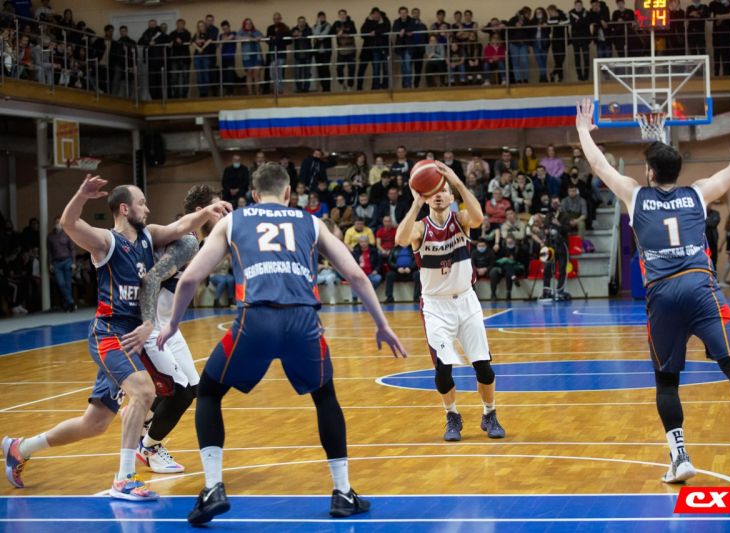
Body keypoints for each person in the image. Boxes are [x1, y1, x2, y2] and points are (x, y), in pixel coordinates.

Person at [155, 162, 406, 524]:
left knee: (208, 392)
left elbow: (190, 278)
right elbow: (354, 274)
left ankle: (213, 488)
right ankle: (342, 492)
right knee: (325, 397)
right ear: (289, 193)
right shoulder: (311, 222)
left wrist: (173, 324)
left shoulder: (233, 221)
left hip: (255, 319)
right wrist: (382, 324)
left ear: (254, 194)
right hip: (303, 321)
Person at [576, 94, 730, 482]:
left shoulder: (635, 195)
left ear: (650, 173)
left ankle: (680, 457)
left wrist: (584, 130)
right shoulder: (697, 193)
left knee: (667, 382)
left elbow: (599, 164)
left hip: (663, 294)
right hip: (701, 286)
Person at [2, 175, 230, 499]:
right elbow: (69, 224)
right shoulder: (106, 242)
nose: (147, 209)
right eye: (142, 203)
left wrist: (207, 211)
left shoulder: (149, 236)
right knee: (145, 390)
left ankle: (21, 448)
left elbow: (180, 227)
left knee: (94, 423)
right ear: (125, 209)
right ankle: (124, 478)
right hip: (110, 333)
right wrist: (81, 194)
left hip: (130, 338)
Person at [396, 162, 506, 442]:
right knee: (443, 370)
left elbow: (479, 218)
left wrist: (457, 182)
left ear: (451, 196)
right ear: (426, 196)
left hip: (466, 301)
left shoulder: (461, 220)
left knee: (483, 366)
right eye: (433, 192)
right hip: (435, 306)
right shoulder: (420, 228)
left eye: (443, 191)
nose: (439, 195)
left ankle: (490, 413)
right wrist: (415, 202)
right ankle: (452, 416)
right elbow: (400, 239)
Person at [118, 185, 222, 475]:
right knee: (180, 394)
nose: (223, 214)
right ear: (202, 211)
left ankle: (142, 416)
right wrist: (148, 323)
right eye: (218, 208)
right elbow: (151, 279)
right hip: (151, 325)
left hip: (168, 327)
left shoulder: (198, 241)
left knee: (193, 388)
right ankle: (148, 447)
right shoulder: (187, 242)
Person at [46, 216, 76, 311]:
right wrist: (50, 263)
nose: (57, 224)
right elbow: (49, 251)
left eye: (59, 222)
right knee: (61, 283)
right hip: (56, 262)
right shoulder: (50, 236)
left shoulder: (67, 234)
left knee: (68, 284)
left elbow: (72, 249)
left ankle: (67, 305)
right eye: (56, 222)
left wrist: (73, 262)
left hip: (67, 260)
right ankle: (70, 302)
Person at [490, 235, 528, 300]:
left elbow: (523, 262)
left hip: (516, 268)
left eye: (511, 242)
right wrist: (505, 260)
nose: (510, 244)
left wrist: (512, 261)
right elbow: (496, 262)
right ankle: (493, 293)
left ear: (514, 241)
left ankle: (508, 293)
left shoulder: (520, 249)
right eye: (508, 243)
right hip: (503, 268)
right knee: (495, 271)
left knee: (508, 270)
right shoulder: (502, 249)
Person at [332, 9, 357, 91]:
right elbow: (330, 32)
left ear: (346, 15)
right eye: (341, 14)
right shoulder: (336, 23)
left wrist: (344, 31)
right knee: (339, 67)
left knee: (351, 68)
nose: (342, 16)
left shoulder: (351, 22)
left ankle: (350, 85)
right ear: (338, 16)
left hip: (351, 49)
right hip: (340, 49)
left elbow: (354, 31)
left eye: (344, 14)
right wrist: (337, 34)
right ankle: (342, 83)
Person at [238, 18, 263, 96]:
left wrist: (259, 37)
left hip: (257, 55)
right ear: (244, 25)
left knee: (257, 73)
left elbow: (262, 36)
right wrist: (249, 38)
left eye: (250, 23)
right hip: (247, 56)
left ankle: (257, 92)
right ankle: (250, 94)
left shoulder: (255, 31)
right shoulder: (241, 31)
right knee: (249, 74)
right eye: (247, 23)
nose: (249, 25)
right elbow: (237, 38)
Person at [706, 204, 721, 270]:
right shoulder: (700, 212)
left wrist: (705, 219)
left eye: (709, 205)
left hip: (713, 241)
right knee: (706, 260)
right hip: (705, 243)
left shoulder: (715, 213)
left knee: (714, 260)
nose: (707, 206)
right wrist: (709, 220)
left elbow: (713, 223)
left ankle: (714, 275)